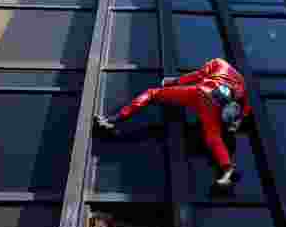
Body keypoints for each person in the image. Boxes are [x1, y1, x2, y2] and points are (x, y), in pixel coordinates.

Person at [94, 57, 252, 187]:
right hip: (215, 109)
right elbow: (246, 107)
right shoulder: (242, 83)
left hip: (201, 93)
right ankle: (227, 170)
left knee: (152, 93)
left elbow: (198, 75)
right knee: (213, 138)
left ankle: (114, 119)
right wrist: (237, 122)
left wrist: (174, 81)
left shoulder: (218, 62)